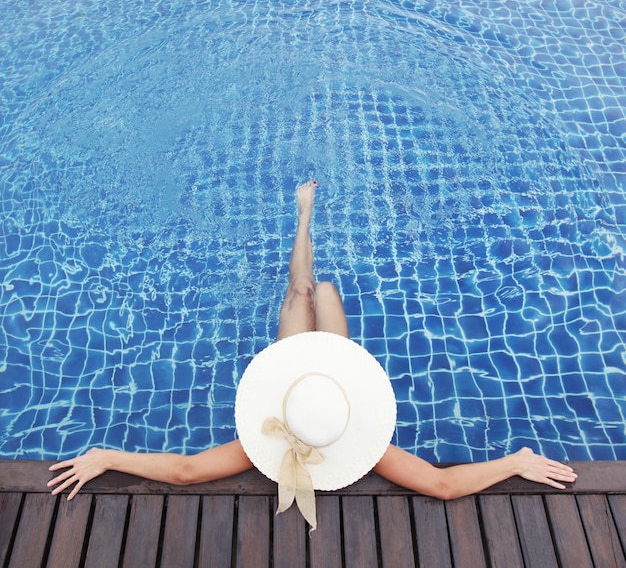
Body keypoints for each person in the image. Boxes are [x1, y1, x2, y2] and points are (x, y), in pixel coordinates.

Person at [48, 181, 577, 502]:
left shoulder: (264, 452)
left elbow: (186, 471)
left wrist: (108, 456)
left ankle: (303, 220)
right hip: (329, 381)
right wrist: (512, 461)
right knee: (320, 288)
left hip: (302, 382)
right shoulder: (369, 451)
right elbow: (442, 487)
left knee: (302, 290)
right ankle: (305, 219)